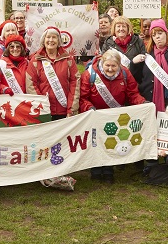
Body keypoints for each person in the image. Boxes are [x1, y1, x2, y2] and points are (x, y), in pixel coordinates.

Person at [79, 50, 144, 182]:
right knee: (96, 143)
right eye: (107, 65)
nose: (110, 69)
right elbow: (82, 97)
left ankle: (109, 171)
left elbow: (133, 94)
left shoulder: (125, 74)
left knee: (111, 142)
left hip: (115, 116)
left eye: (113, 66)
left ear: (119, 65)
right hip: (95, 115)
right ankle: (96, 171)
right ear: (102, 63)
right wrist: (89, 108)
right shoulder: (89, 75)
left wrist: (143, 103)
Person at [27, 26, 79, 120]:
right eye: (48, 37)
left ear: (58, 40)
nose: (51, 40)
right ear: (43, 39)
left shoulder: (68, 59)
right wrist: (42, 107)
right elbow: (31, 85)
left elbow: (75, 83)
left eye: (54, 37)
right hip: (45, 111)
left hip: (65, 111)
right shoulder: (35, 60)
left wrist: (71, 109)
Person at [101, 16, 145, 84]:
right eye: (118, 26)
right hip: (114, 83)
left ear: (128, 28)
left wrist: (134, 63)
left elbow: (144, 64)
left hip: (134, 82)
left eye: (124, 26)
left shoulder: (138, 42)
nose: (121, 29)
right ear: (114, 29)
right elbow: (103, 63)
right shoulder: (108, 43)